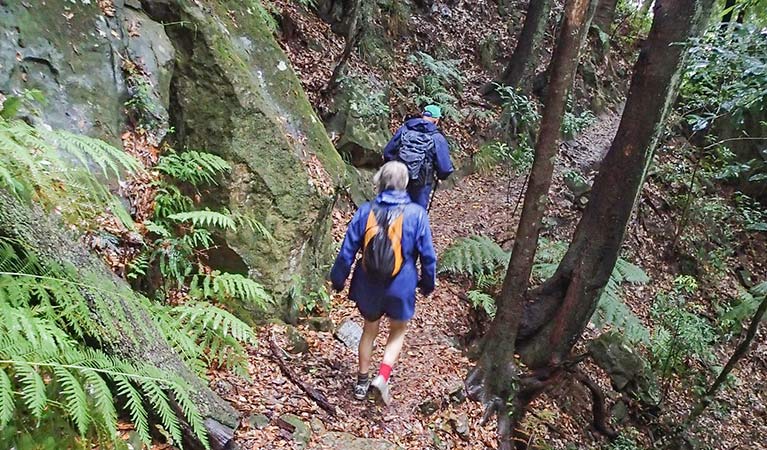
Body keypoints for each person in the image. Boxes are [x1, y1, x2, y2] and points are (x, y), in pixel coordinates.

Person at [329, 161, 436, 405]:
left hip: (369, 283)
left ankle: (361, 381)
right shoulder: (417, 215)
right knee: (397, 331)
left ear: (380, 182)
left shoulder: (365, 211)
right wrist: (427, 284)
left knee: (369, 330)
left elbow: (347, 251)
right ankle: (382, 377)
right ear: (405, 184)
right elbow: (428, 256)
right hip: (402, 284)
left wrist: (338, 280)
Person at [383, 104, 454, 209]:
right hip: (422, 183)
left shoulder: (404, 130)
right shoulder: (437, 138)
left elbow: (388, 152)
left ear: (422, 115)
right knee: (416, 214)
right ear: (436, 120)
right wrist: (440, 176)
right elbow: (445, 168)